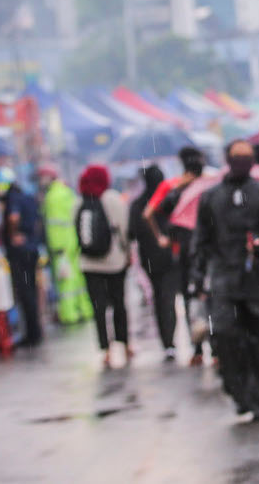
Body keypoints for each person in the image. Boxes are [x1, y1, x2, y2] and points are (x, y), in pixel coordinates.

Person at [192, 139, 259, 420]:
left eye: (247, 157)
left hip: (258, 281)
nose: (242, 161)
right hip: (224, 282)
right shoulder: (210, 198)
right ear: (228, 158)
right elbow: (200, 240)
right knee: (226, 339)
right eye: (237, 156)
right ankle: (241, 394)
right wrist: (198, 278)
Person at [145, 146, 206, 365]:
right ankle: (215, 349)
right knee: (209, 295)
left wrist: (163, 238)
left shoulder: (174, 187)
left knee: (188, 298)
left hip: (184, 251)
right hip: (208, 250)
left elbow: (149, 212)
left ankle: (196, 348)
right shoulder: (210, 185)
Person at [77, 165, 131, 369]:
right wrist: (127, 254)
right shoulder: (114, 199)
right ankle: (124, 344)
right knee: (119, 304)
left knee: (98, 308)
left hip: (88, 263)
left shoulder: (79, 201)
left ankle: (105, 350)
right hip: (115, 261)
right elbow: (124, 229)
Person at [129, 165, 179, 362]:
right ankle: (169, 340)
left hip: (149, 258)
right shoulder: (169, 201)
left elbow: (132, 232)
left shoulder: (138, 204)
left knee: (160, 298)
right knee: (168, 297)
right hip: (168, 257)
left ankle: (167, 341)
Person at [0, 167, 43, 347]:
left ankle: (32, 334)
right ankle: (35, 332)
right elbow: (37, 222)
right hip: (31, 250)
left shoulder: (13, 199)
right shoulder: (27, 197)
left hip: (20, 254)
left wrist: (13, 235)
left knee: (25, 293)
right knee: (31, 292)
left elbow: (13, 218)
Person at [38, 165, 93, 325]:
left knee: (65, 280)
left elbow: (54, 225)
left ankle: (69, 314)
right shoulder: (65, 192)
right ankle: (85, 308)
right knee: (77, 278)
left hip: (61, 246)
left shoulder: (53, 197)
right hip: (72, 242)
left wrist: (57, 247)